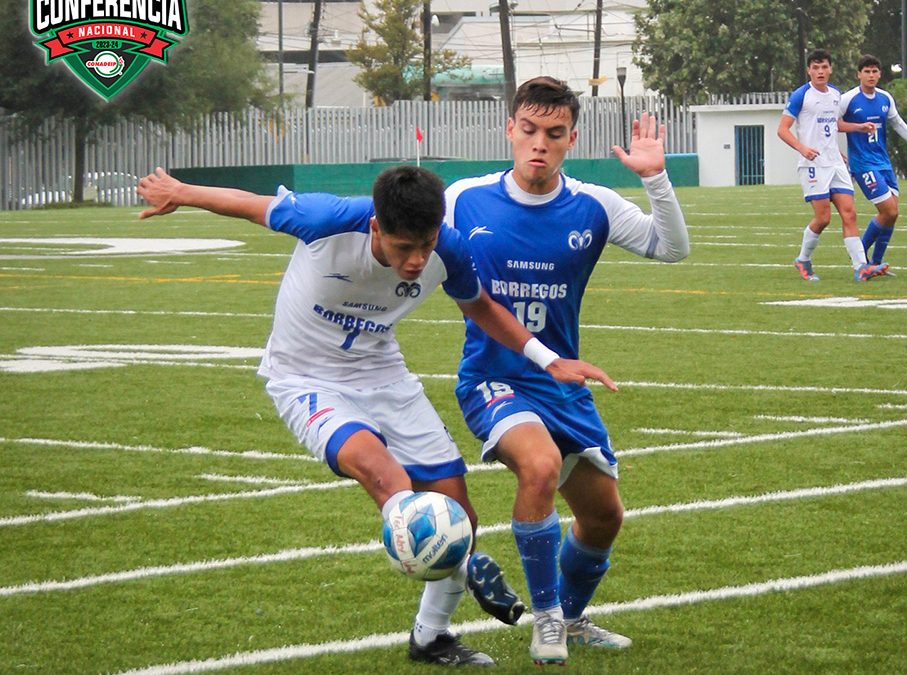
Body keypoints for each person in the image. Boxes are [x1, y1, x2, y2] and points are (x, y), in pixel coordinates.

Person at [135, 164, 616, 667]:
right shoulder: (327, 217)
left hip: (384, 373)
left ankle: (431, 638)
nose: (415, 261)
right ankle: (471, 564)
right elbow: (248, 204)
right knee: (384, 474)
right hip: (305, 379)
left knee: (460, 514)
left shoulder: (447, 247)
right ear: (374, 228)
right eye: (403, 247)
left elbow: (481, 308)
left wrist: (547, 358)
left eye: (424, 246)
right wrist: (181, 192)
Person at [444, 76, 689, 666]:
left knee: (604, 516)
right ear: (509, 129)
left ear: (570, 139)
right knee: (541, 465)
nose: (539, 144)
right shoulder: (463, 198)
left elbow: (671, 247)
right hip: (492, 377)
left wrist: (654, 176)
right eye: (528, 130)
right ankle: (547, 621)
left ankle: (573, 619)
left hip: (562, 381)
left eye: (554, 134)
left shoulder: (592, 205)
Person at [777, 48, 889, 282]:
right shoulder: (801, 95)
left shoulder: (835, 94)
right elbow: (782, 129)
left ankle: (861, 267)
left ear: (830, 69)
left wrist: (858, 128)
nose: (820, 71)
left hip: (835, 164)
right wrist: (803, 149)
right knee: (824, 218)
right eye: (815, 67)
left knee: (850, 214)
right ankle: (803, 259)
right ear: (809, 70)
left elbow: (834, 125)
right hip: (813, 165)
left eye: (824, 67)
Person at [840, 54, 907, 274]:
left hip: (883, 162)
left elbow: (899, 124)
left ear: (880, 74)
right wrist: (837, 152)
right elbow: (833, 125)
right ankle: (860, 256)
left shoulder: (885, 98)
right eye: (866, 71)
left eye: (875, 71)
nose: (871, 75)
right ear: (858, 74)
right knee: (888, 210)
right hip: (863, 164)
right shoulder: (848, 99)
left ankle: (876, 263)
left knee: (892, 214)